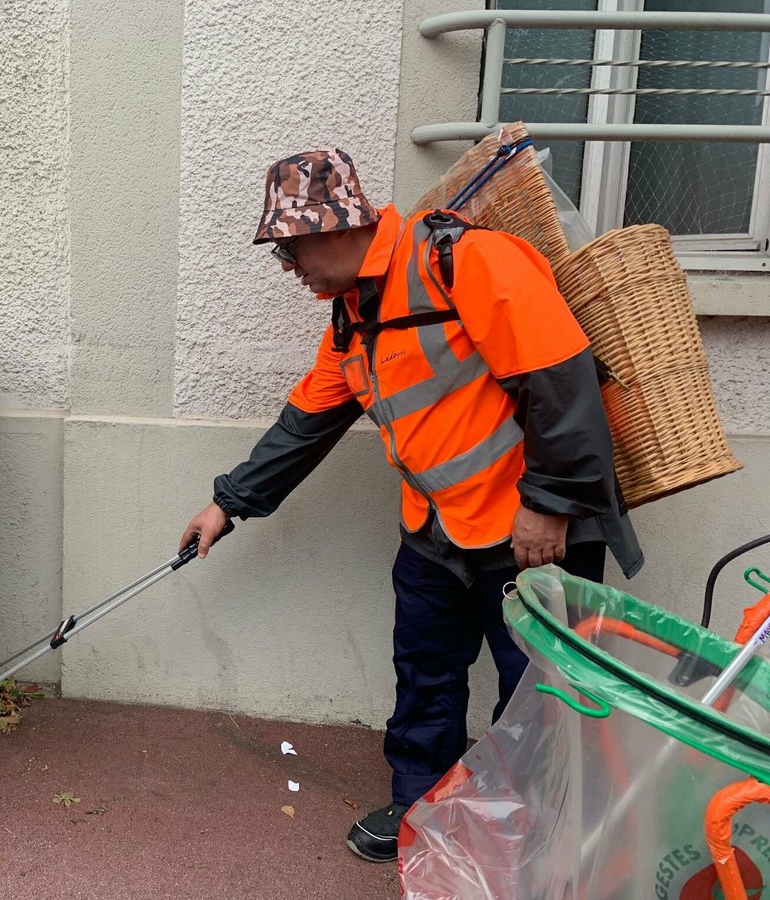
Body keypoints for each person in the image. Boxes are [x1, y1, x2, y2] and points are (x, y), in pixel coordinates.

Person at [179, 147, 643, 864]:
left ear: (337, 227)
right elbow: (306, 422)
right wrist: (228, 504)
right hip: (435, 533)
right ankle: (421, 806)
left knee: (541, 695)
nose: (289, 269)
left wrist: (550, 504)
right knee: (424, 674)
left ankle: (533, 837)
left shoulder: (468, 261)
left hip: (529, 531)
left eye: (290, 251)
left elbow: (562, 378)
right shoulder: (350, 319)